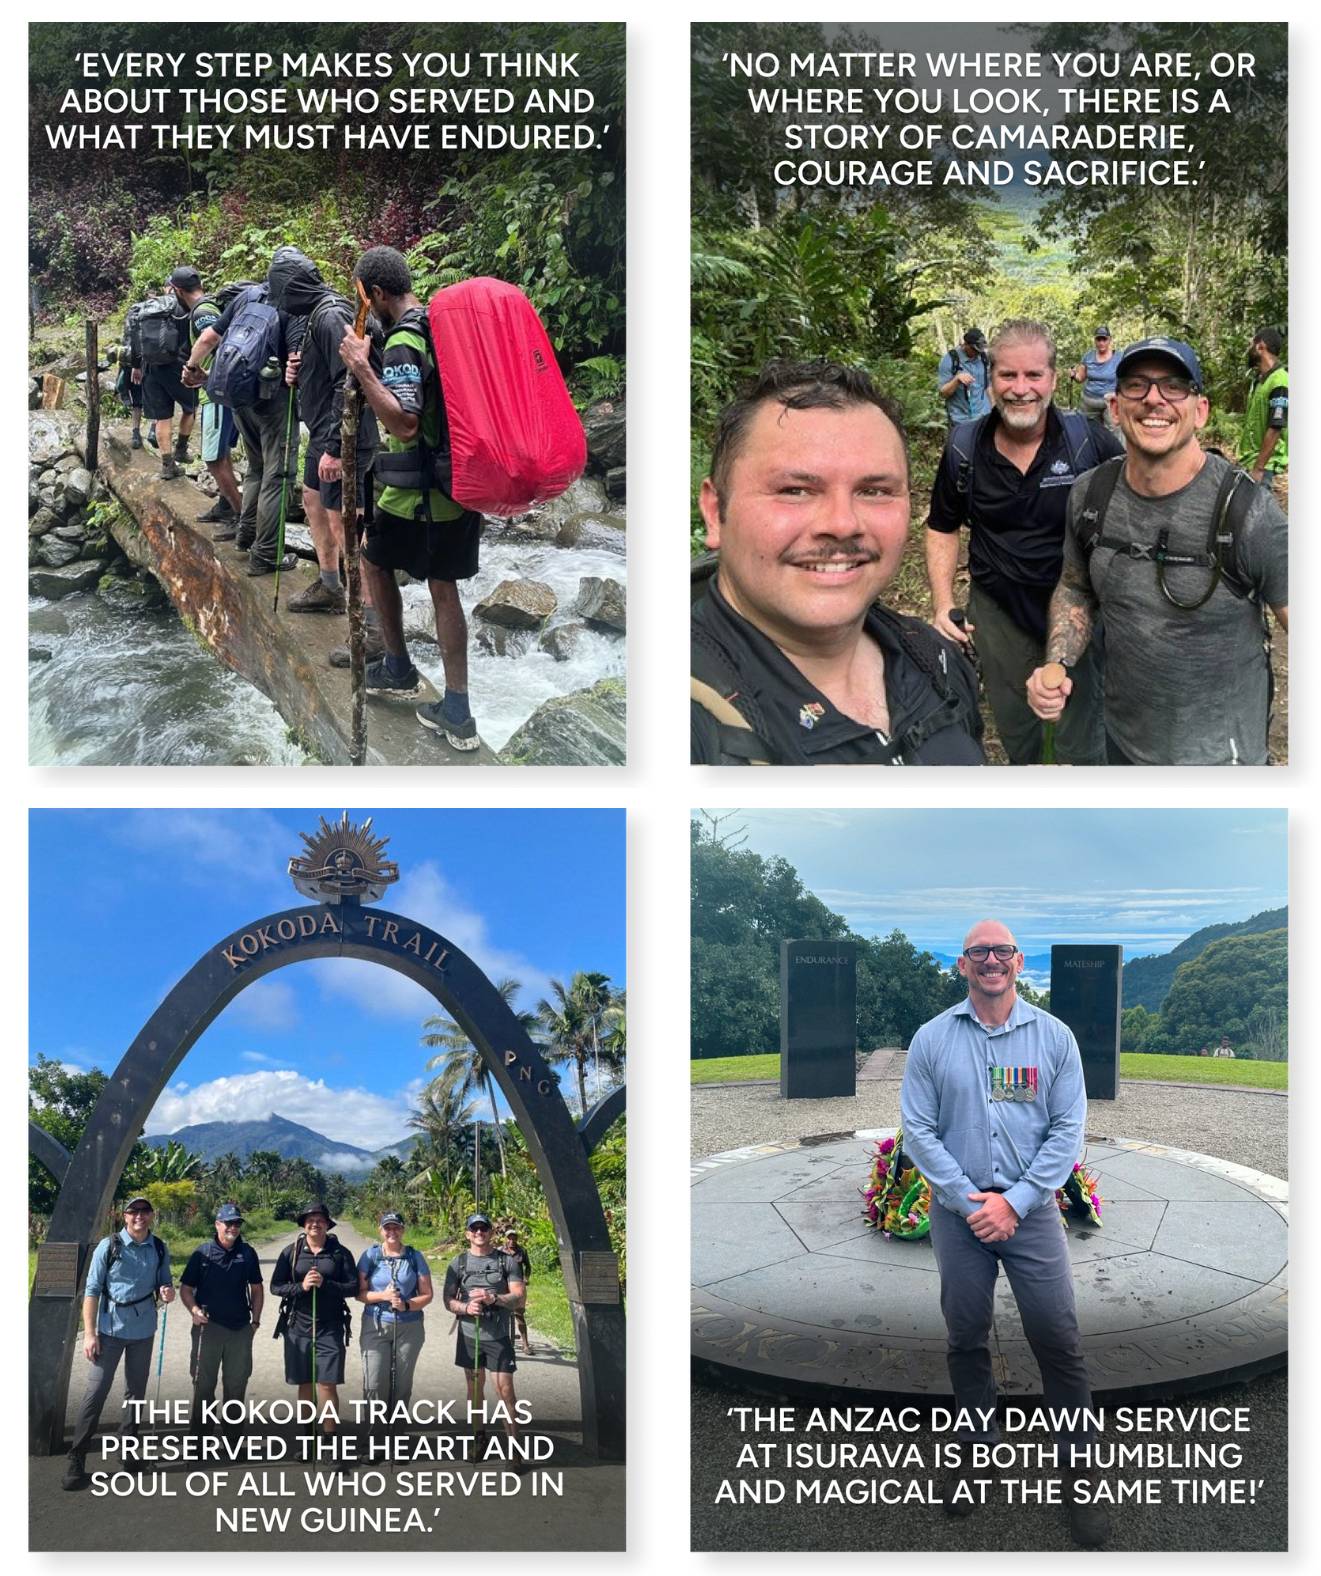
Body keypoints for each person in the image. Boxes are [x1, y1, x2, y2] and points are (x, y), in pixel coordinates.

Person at [900, 920, 1107, 1549]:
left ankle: (1080, 1470)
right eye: (977, 953)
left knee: (1057, 1335)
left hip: (1032, 1213)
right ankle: (977, 1451)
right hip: (960, 1217)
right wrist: (970, 1203)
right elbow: (917, 1130)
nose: (991, 961)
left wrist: (1014, 1203)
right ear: (963, 965)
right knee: (965, 1335)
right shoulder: (932, 1040)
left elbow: (1068, 1129)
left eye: (1001, 952)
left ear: (1017, 962)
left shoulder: (1055, 1038)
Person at [690, 359, 984, 765]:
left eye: (875, 491)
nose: (842, 524)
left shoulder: (937, 661)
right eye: (795, 490)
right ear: (715, 511)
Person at [1027, 336, 1289, 765]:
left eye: (1174, 386)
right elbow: (1076, 587)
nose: (1154, 399)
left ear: (1199, 411)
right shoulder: (1090, 495)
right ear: (1114, 407)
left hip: (1222, 764)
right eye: (1136, 386)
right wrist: (1057, 662)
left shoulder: (1246, 512)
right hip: (1123, 744)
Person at [927, 319, 1122, 765]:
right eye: (1008, 375)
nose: (1021, 388)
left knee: (1081, 732)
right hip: (999, 611)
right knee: (1020, 731)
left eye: (1033, 375)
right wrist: (942, 603)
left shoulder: (1086, 442)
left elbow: (1139, 495)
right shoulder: (965, 448)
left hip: (1078, 610)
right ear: (990, 380)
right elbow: (942, 525)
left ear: (1053, 378)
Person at [337, 245, 482, 748]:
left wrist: (362, 367)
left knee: (373, 562)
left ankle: (397, 666)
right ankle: (457, 709)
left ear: (376, 293)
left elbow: (403, 423)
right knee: (445, 588)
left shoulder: (404, 338)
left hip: (417, 494)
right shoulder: (439, 325)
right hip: (460, 482)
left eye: (364, 297)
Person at [264, 246, 380, 617]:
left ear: (292, 289)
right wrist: (299, 371)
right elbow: (328, 371)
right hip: (323, 433)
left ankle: (372, 620)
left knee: (347, 524)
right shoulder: (316, 312)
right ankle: (330, 586)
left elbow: (347, 384)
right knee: (313, 500)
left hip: (346, 437)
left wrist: (334, 448)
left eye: (281, 296)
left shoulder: (330, 316)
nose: (280, 305)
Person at [183, 282, 302, 575]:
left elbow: (209, 337)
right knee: (278, 477)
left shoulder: (246, 297)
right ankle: (266, 554)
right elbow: (298, 361)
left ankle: (246, 535)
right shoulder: (295, 305)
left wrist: (191, 369)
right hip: (274, 403)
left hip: (240, 398)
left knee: (256, 469)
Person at [62, 1195, 175, 1490]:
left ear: (151, 1215)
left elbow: (166, 1284)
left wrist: (167, 1293)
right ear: (124, 1216)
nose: (139, 1215)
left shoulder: (159, 1248)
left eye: (144, 1211)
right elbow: (92, 1289)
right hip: (110, 1332)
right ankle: (77, 1456)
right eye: (133, 1211)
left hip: (144, 1331)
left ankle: (128, 1453)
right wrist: (89, 1334)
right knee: (95, 1392)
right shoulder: (109, 1245)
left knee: (135, 1394)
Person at [269, 1203, 358, 1453]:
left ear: (328, 1224)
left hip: (330, 1326)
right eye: (310, 1220)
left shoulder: (340, 1253)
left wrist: (326, 1284)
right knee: (305, 1384)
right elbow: (276, 1286)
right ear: (303, 1224)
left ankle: (330, 1444)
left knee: (327, 1384)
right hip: (298, 1326)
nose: (315, 1223)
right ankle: (308, 1440)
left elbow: (353, 1287)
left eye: (320, 1220)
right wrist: (302, 1287)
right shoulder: (292, 1252)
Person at [441, 1212, 528, 1462]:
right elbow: (448, 1300)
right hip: (469, 1335)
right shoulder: (457, 1263)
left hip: (498, 1335)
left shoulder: (507, 1262)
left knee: (504, 1391)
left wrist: (495, 1299)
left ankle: (514, 1447)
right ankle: (479, 1438)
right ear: (468, 1234)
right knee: (474, 1390)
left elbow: (520, 1297)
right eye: (474, 1229)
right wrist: (466, 1307)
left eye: (483, 1229)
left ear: (491, 1232)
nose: (479, 1233)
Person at [179, 1201, 263, 1426]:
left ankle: (233, 1440)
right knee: (203, 1386)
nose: (233, 1227)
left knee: (236, 1386)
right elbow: (186, 1289)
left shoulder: (247, 1253)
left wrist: (254, 1322)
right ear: (217, 1224)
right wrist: (194, 1310)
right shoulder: (202, 1253)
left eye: (237, 1223)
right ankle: (200, 1440)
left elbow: (256, 1288)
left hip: (239, 1329)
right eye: (228, 1223)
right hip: (208, 1329)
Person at [142, 267, 214, 482]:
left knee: (163, 416)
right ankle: (181, 449)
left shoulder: (152, 307)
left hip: (152, 366)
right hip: (178, 366)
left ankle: (167, 464)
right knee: (190, 408)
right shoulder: (187, 308)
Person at [356, 1211, 434, 1409]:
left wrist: (406, 1305)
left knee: (402, 1385)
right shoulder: (370, 1256)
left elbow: (427, 1294)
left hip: (410, 1326)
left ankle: (397, 1434)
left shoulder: (415, 1257)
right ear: (380, 1230)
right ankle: (375, 1435)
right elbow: (359, 1293)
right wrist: (384, 1296)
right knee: (374, 1384)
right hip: (376, 1323)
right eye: (387, 1228)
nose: (392, 1231)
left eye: (396, 1227)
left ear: (402, 1229)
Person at [1238, 327, 1288, 492]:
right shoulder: (1259, 381)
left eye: (1251, 345)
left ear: (1260, 346)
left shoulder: (1279, 381)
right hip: (1248, 460)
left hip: (1262, 465)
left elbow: (1275, 427)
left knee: (1255, 514)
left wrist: (1259, 468)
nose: (1248, 351)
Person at [938, 327, 991, 426]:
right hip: (961, 419)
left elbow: (989, 387)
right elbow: (943, 393)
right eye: (974, 350)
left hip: (984, 417)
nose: (977, 353)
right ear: (966, 344)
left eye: (979, 350)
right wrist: (956, 380)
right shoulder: (950, 360)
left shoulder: (984, 358)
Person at [1069, 327, 1119, 425]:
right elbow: (1080, 378)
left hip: (1110, 401)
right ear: (1095, 340)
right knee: (1089, 429)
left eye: (1104, 339)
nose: (1101, 343)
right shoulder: (1088, 356)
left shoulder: (1119, 357)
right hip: (1090, 401)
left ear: (1109, 340)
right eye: (1098, 339)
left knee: (1113, 431)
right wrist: (1074, 374)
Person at [501, 1227, 533, 1355]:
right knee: (500, 1313)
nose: (512, 1241)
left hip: (517, 1284)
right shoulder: (499, 1251)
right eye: (510, 1238)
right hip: (503, 1284)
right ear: (506, 1239)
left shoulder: (522, 1252)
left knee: (519, 1314)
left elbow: (528, 1267)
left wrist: (526, 1278)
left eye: (514, 1238)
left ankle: (526, 1345)